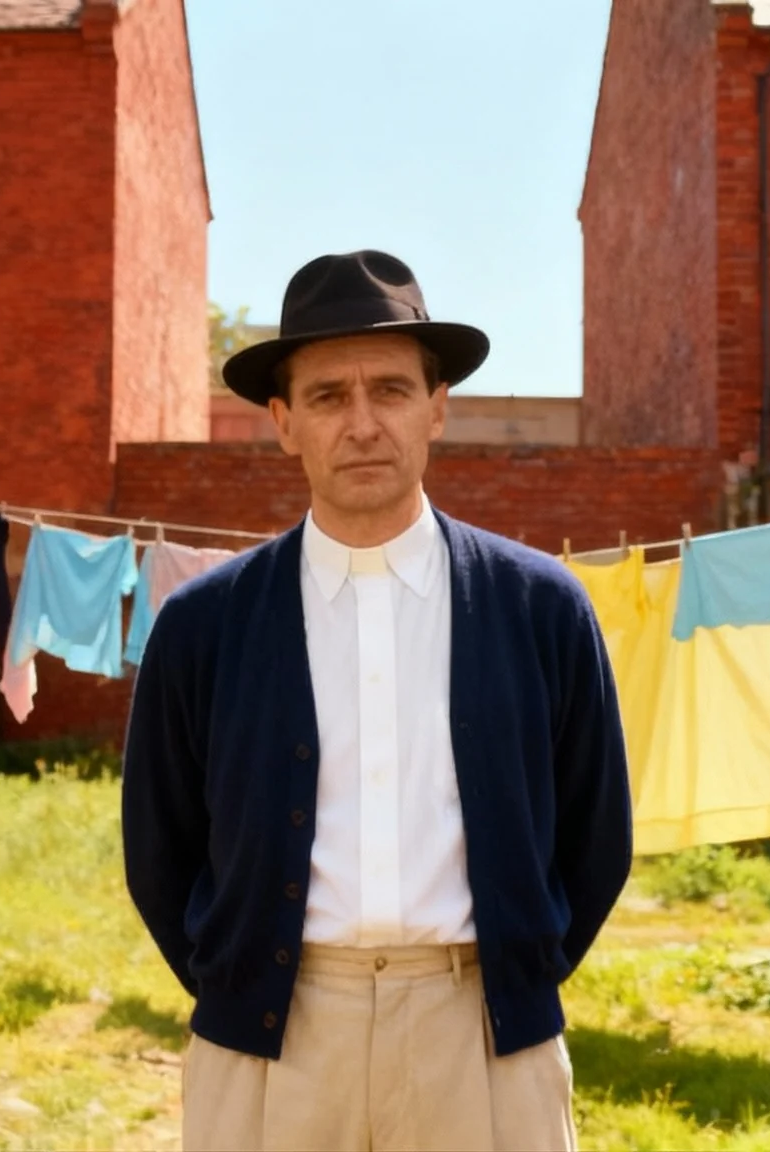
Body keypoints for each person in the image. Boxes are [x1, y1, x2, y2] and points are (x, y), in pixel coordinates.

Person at [121, 249, 632, 1150]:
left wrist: (518, 969)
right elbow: (159, 849)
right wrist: (237, 977)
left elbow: (597, 836)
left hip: (482, 1035)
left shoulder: (542, 608)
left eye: (391, 390)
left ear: (437, 407)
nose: (363, 423)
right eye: (328, 396)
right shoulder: (203, 626)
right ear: (284, 423)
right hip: (271, 1040)